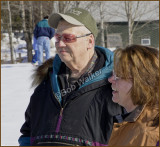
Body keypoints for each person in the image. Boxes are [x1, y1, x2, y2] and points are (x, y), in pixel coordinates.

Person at [18, 8, 124, 146]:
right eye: (58, 37)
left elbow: (132, 135)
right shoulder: (46, 82)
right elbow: (28, 132)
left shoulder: (117, 85)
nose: (60, 44)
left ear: (90, 42)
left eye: (68, 38)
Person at [108, 45, 159, 146]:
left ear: (141, 82)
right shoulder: (134, 122)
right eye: (113, 73)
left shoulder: (148, 133)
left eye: (118, 75)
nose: (110, 79)